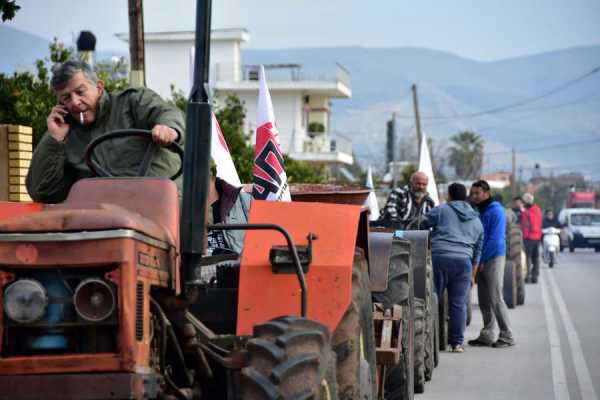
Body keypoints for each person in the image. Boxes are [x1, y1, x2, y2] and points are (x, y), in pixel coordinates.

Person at [26, 59, 185, 203]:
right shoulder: (65, 133)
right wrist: (53, 139)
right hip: (106, 219)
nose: (75, 102)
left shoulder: (131, 102)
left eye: (80, 92)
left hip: (160, 205)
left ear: (99, 87)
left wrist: (169, 129)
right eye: (66, 98)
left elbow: (166, 113)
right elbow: (39, 192)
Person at [422, 183, 483, 353]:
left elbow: (422, 223)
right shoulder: (476, 219)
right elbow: (478, 249)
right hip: (464, 262)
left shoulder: (442, 210)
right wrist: (473, 273)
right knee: (458, 304)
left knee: (432, 298)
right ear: (466, 196)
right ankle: (456, 343)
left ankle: (428, 340)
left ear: (449, 195)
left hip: (440, 258)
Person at [468, 180, 515, 348]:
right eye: (472, 193)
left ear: (486, 193)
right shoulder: (481, 210)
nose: (473, 196)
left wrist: (480, 261)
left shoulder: (495, 211)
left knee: (496, 298)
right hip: (482, 259)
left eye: (477, 193)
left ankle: (507, 335)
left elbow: (493, 240)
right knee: (484, 300)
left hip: (493, 258)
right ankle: (487, 334)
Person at [206, 173, 252, 255]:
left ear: (212, 176)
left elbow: (263, 241)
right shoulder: (182, 210)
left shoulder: (244, 201)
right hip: (200, 266)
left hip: (240, 265)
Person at [521, 193, 543, 283]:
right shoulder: (537, 210)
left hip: (529, 237)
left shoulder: (526, 212)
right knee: (536, 257)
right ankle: (535, 276)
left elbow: (525, 225)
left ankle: (528, 276)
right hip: (537, 237)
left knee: (528, 257)